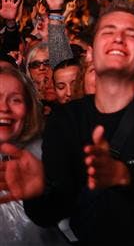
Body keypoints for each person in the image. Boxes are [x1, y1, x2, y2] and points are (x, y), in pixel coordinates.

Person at [11, 0, 134, 245]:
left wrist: (123, 175)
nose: (118, 38)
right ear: (92, 53)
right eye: (108, 32)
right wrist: (36, 193)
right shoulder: (66, 120)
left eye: (130, 34)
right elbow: (52, 212)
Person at [0, 66, 67, 244]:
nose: (4, 108)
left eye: (15, 100)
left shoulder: (51, 152)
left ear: (29, 108)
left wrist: (46, 191)